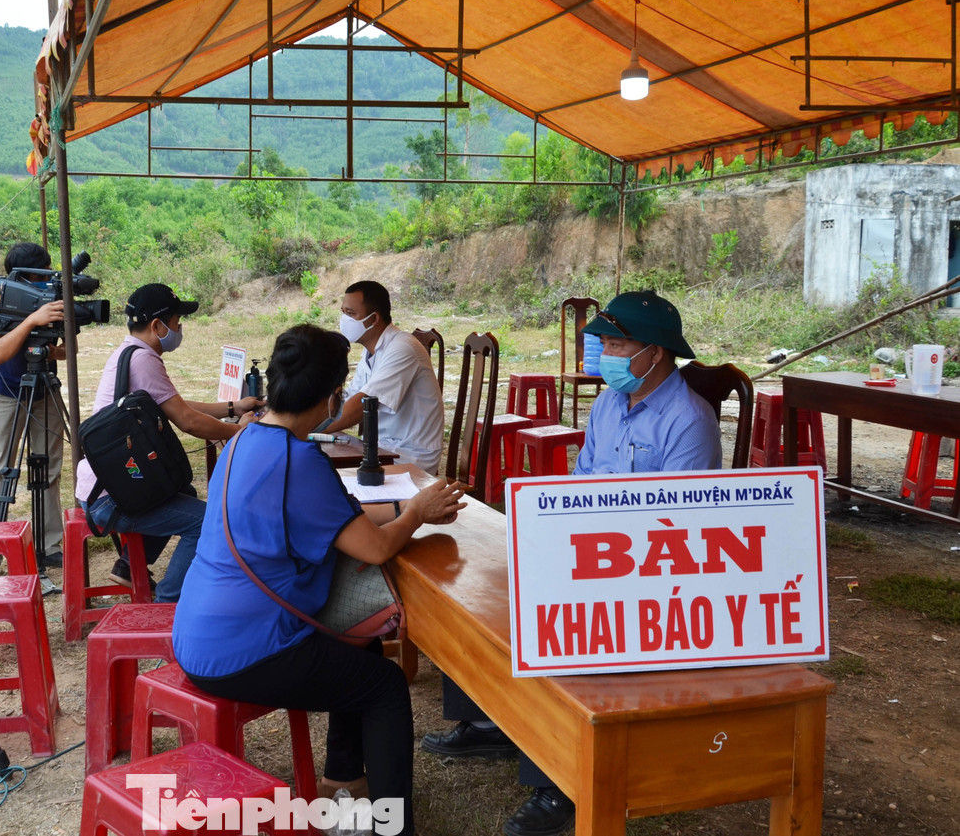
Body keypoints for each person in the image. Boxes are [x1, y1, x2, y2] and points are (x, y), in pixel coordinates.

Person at [419, 289, 721, 836]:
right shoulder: (610, 402)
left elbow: (684, 526)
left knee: (558, 622)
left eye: (616, 343)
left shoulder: (689, 421)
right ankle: (491, 717)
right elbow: (583, 478)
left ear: (655, 352)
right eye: (603, 342)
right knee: (479, 580)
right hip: (593, 548)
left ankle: (555, 783)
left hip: (651, 572)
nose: (605, 354)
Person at [173, 324, 466, 836]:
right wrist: (415, 512)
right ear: (334, 394)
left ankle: (341, 780)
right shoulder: (299, 459)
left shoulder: (249, 437)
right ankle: (393, 828)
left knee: (365, 652)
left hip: (198, 634)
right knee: (386, 687)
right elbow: (374, 548)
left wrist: (404, 508)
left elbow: (338, 520)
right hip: (246, 650)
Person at [74, 283, 262, 603]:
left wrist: (234, 408)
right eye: (176, 322)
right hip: (109, 498)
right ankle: (169, 602)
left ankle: (128, 566)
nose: (179, 329)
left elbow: (175, 404)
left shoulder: (128, 352)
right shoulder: (143, 360)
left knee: (183, 491)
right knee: (205, 521)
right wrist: (240, 431)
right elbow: (187, 420)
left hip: (103, 485)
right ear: (157, 326)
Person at [0, 242, 67, 566]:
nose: (41, 284)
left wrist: (52, 346)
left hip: (45, 389)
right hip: (7, 392)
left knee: (49, 468)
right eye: (36, 277)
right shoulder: (0, 299)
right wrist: (31, 320)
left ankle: (50, 545)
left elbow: (67, 351)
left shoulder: (52, 297)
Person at [327, 280, 444, 473]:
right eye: (343, 312)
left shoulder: (402, 348)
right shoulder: (371, 352)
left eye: (351, 314)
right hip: (380, 449)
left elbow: (359, 407)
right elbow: (347, 399)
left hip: (408, 456)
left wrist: (305, 428)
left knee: (325, 475)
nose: (344, 320)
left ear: (373, 319)